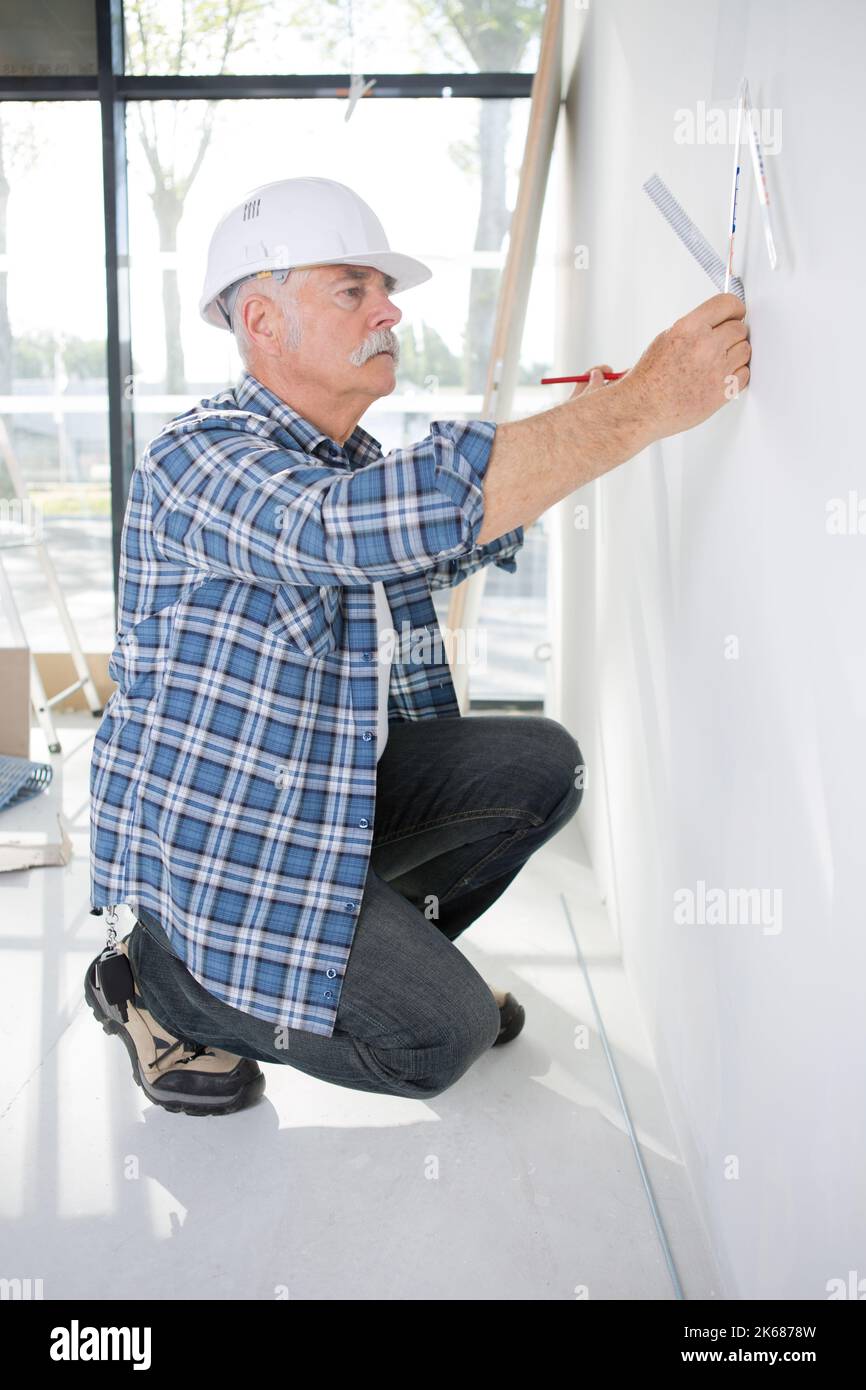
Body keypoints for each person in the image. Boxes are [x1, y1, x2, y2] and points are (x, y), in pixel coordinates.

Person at [86, 177, 750, 1116]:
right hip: (229, 851)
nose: (391, 309)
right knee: (442, 1036)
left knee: (539, 764)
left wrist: (590, 430)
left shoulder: (341, 459)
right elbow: (350, 530)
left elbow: (434, 541)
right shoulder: (199, 461)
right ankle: (162, 983)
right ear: (265, 322)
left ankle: (393, 960)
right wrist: (638, 407)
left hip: (316, 798)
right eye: (354, 289)